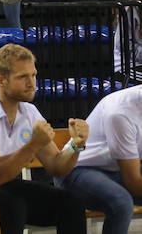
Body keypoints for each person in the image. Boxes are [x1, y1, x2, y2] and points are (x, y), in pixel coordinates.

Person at [0, 44, 89, 234]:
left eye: (33, 75)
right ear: (1, 80)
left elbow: (56, 167)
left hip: (3, 185)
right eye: (23, 77)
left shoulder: (28, 111)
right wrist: (34, 144)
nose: (31, 83)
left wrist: (75, 146)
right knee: (13, 207)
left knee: (71, 203)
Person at [57, 84, 142, 234]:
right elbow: (133, 182)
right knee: (121, 203)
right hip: (76, 169)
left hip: (117, 169)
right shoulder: (120, 112)